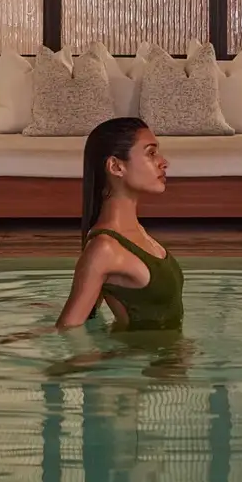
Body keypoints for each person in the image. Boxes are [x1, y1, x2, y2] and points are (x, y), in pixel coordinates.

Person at [55, 117, 185, 332]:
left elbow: (91, 315)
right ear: (116, 166)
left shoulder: (138, 232)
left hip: (166, 359)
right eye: (151, 153)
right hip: (142, 361)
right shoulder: (105, 249)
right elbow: (68, 329)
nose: (164, 162)